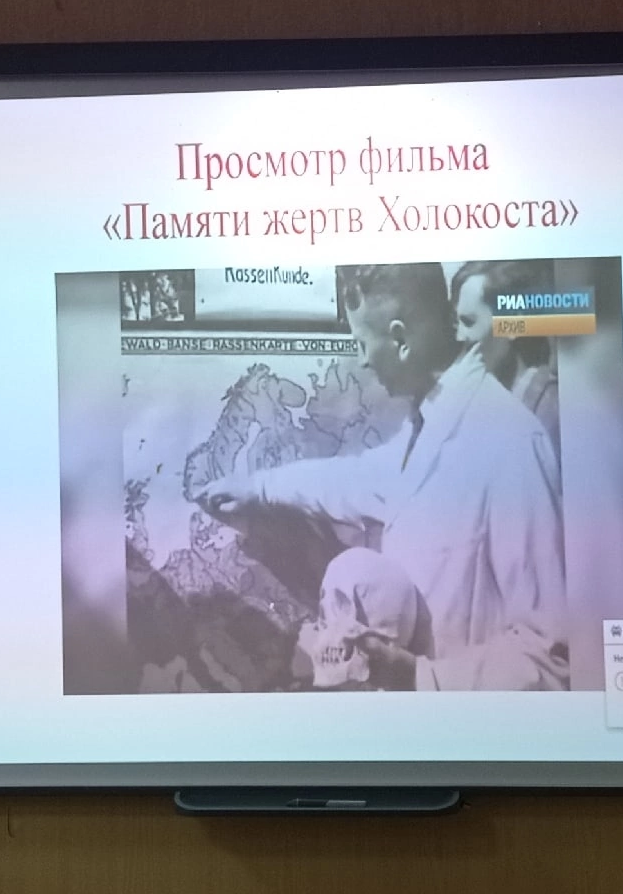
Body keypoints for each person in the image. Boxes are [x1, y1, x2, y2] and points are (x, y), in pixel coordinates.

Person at [198, 262, 567, 691]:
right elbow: (349, 479)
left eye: (362, 343)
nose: (362, 361)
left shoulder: (510, 443)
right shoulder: (425, 430)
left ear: (400, 340)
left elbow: (551, 657)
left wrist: (420, 677)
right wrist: (258, 487)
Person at [446, 260, 562, 450]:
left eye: (468, 322)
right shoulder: (475, 404)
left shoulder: (549, 411)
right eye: (456, 322)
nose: (459, 336)